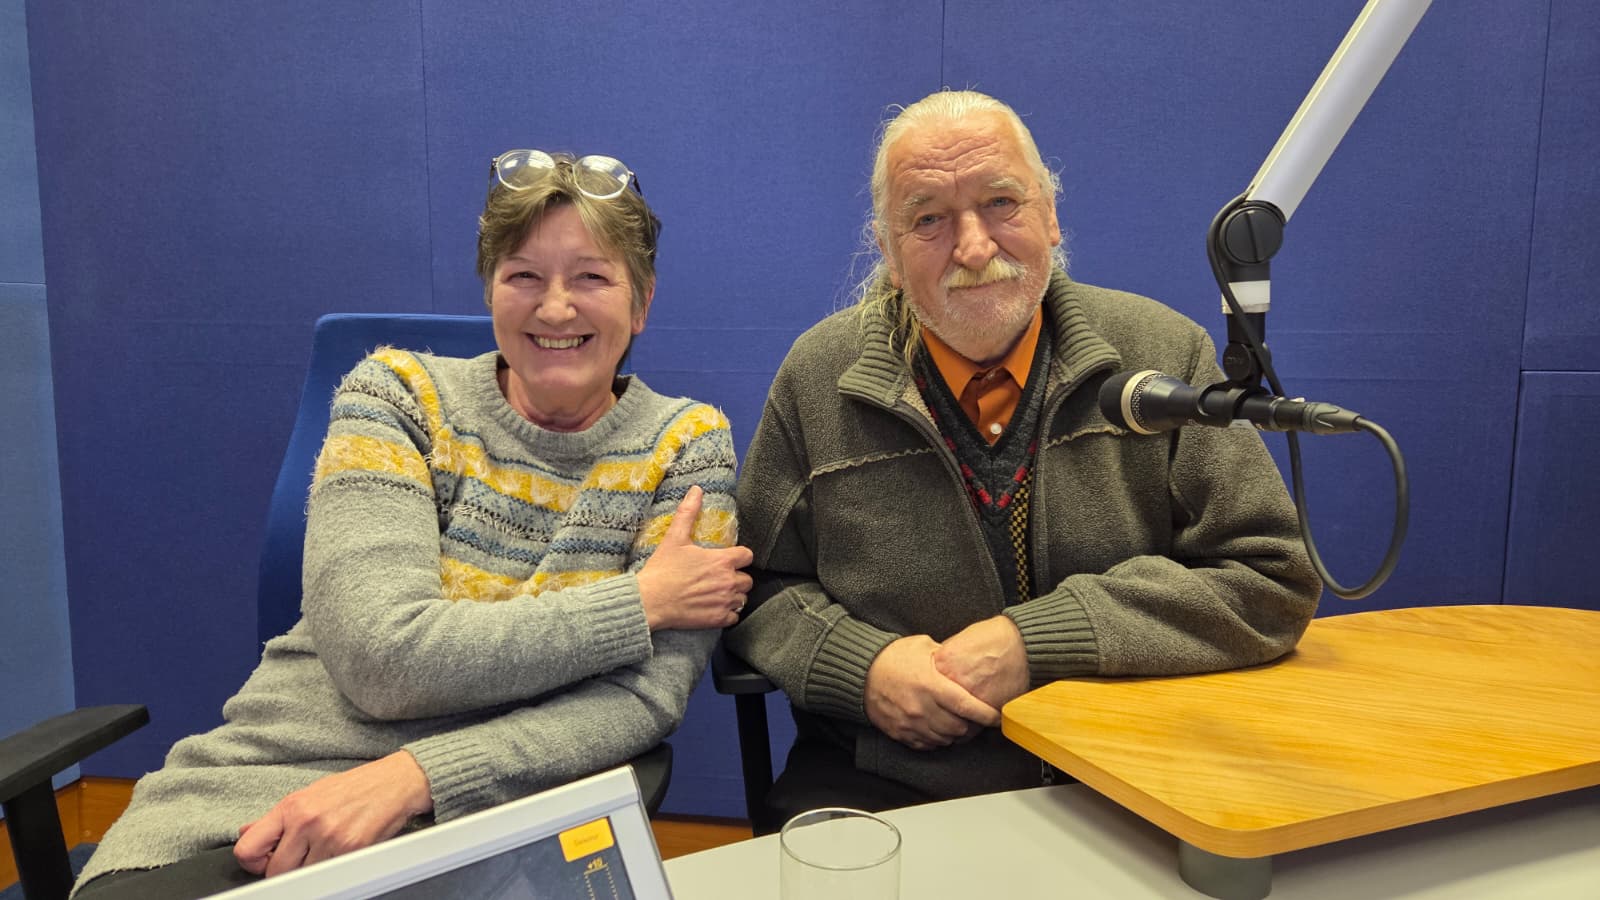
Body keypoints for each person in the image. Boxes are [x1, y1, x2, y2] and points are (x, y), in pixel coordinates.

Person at [73, 150, 752, 897]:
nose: (556, 308)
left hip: (502, 820)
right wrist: (640, 603)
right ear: (491, 290)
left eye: (591, 277)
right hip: (265, 797)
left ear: (641, 302)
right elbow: (383, 662)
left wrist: (413, 777)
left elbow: (642, 701)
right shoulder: (395, 396)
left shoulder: (688, 445)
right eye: (524, 275)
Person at [725, 90, 1320, 827]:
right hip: (887, 779)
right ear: (887, 250)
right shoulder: (817, 378)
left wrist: (1037, 643)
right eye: (928, 219)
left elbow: (1270, 575)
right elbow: (756, 587)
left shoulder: (1163, 354)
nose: (974, 248)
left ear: (1051, 215)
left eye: (1001, 202)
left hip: (1130, 773)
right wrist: (862, 668)